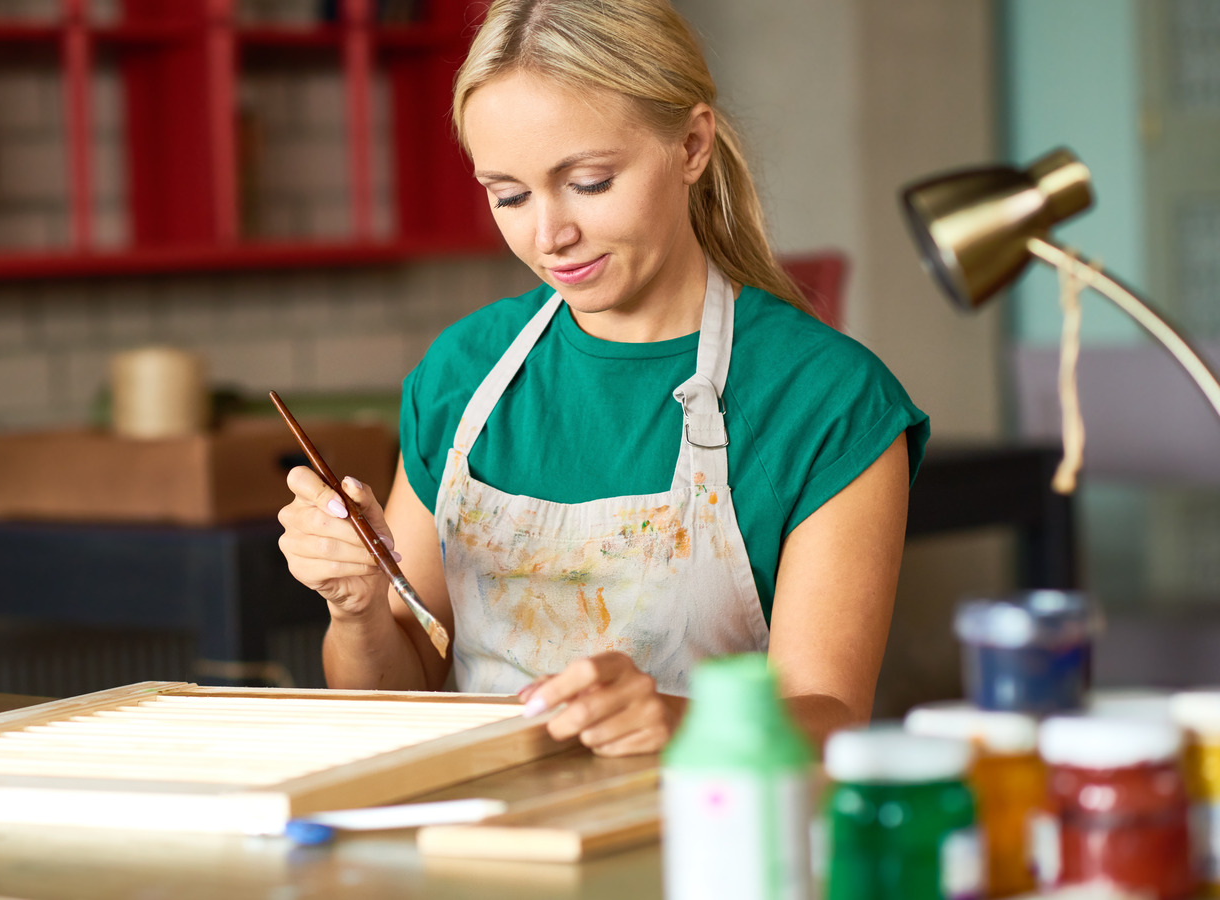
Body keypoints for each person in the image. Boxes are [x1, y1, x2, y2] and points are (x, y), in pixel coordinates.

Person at [277, 0, 928, 757]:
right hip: (481, 848)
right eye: (509, 195)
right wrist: (355, 611)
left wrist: (680, 721)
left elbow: (830, 719)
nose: (548, 235)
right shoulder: (462, 374)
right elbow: (398, 699)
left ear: (691, 145)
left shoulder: (826, 399)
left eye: (587, 182)